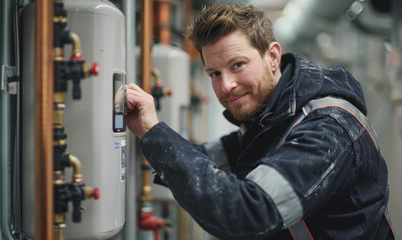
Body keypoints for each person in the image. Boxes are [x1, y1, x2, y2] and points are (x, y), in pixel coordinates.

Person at [126, 3, 395, 240]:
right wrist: (148, 133)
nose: (226, 85)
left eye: (238, 65)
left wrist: (155, 133)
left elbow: (249, 214)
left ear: (273, 57)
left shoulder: (327, 127)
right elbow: (208, 158)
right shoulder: (269, 125)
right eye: (214, 73)